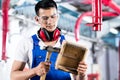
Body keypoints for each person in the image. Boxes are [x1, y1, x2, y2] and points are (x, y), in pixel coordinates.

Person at [10, 0, 87, 80]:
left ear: (57, 16)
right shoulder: (27, 43)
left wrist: (82, 75)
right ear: (37, 19)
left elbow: (77, 78)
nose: (50, 22)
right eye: (45, 18)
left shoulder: (69, 43)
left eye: (53, 17)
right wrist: (35, 71)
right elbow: (13, 76)